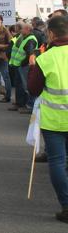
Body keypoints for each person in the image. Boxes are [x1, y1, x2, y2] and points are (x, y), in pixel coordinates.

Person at [27, 15, 68, 223]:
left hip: (54, 121)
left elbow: (33, 89)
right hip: (57, 121)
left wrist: (33, 67)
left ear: (51, 34)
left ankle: (67, 206)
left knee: (58, 162)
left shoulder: (46, 59)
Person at [8, 23, 37, 112]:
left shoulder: (30, 39)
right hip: (19, 65)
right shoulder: (23, 37)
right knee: (19, 85)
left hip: (24, 66)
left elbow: (30, 54)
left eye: (23, 29)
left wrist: (22, 63)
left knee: (25, 86)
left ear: (28, 30)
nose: (21, 30)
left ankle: (28, 105)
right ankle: (20, 103)